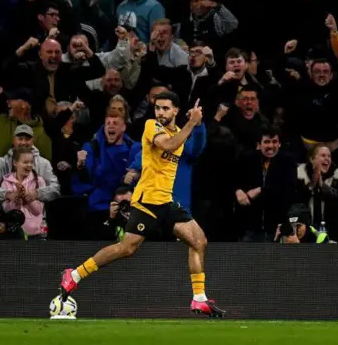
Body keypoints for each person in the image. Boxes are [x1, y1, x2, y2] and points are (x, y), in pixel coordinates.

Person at [59, 92, 226, 317]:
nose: (160, 112)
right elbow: (168, 145)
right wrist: (191, 123)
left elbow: (192, 149)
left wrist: (199, 124)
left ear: (175, 110)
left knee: (199, 241)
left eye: (166, 108)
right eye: (158, 108)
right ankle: (74, 275)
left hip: (166, 201)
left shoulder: (179, 132)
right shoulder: (151, 126)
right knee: (126, 248)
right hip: (147, 201)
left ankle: (199, 299)